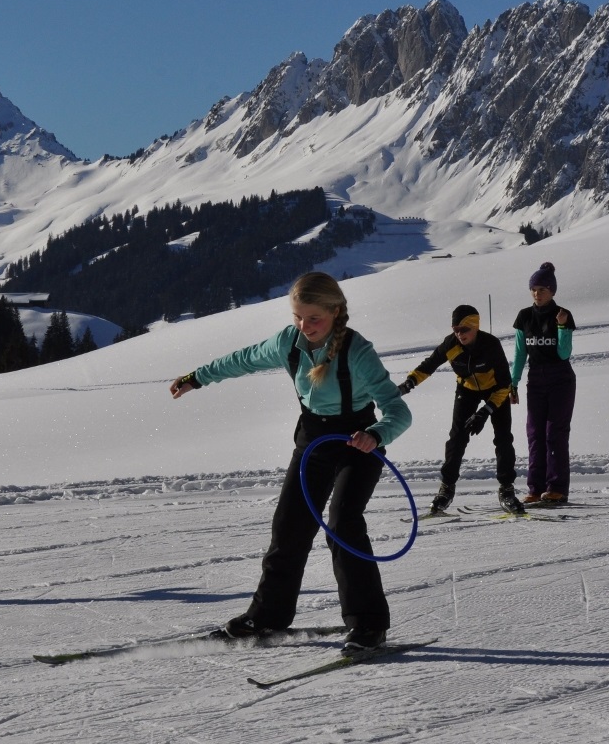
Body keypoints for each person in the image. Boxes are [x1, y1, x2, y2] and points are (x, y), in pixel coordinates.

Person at [169, 272, 411, 653]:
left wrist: (376, 435)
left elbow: (399, 411)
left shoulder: (357, 351)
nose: (304, 326)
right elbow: (244, 359)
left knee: (343, 523)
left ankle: (368, 624)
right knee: (288, 527)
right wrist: (196, 378)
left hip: (358, 445)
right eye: (298, 316)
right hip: (313, 442)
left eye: (313, 318)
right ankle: (267, 616)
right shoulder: (289, 342)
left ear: (335, 311)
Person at [398, 305, 523, 515]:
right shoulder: (451, 344)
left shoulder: (491, 345)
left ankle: (507, 489)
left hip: (496, 391)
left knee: (503, 438)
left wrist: (485, 411)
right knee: (457, 438)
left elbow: (504, 385)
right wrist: (408, 383)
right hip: (467, 390)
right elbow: (429, 365)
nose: (459, 334)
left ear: (475, 326)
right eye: (456, 329)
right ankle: (447, 487)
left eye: (464, 329)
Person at [511, 262, 576, 504]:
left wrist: (562, 327)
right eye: (534, 289)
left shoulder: (562, 314)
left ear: (552, 291)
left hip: (560, 378)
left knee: (554, 433)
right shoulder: (524, 316)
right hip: (535, 379)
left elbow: (563, 353)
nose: (537, 294)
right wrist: (513, 383)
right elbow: (520, 353)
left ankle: (557, 488)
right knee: (535, 434)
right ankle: (535, 489)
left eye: (542, 289)